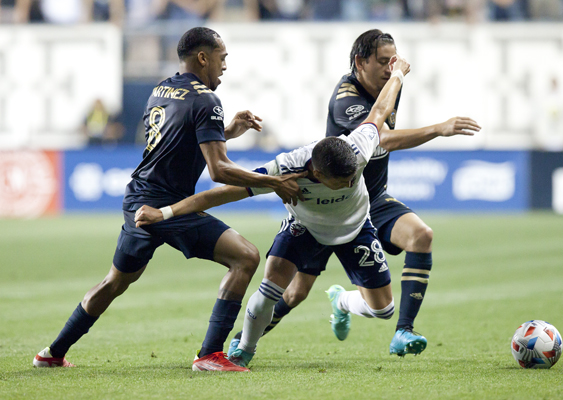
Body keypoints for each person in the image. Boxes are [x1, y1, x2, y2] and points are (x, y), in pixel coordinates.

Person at [33, 27, 305, 372]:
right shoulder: (207, 99)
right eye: (222, 58)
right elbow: (219, 170)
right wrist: (273, 181)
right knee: (247, 257)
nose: (224, 66)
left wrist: (229, 131)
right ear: (203, 57)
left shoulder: (163, 88)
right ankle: (210, 354)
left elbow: (180, 141)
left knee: (114, 282)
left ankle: (51, 353)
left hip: (137, 201)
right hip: (166, 206)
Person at [135, 53, 412, 367]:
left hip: (355, 228)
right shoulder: (285, 171)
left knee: (384, 310)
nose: (351, 184)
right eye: (344, 181)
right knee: (270, 291)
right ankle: (243, 351)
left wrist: (398, 76)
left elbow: (379, 110)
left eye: (354, 178)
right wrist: (165, 213)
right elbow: (219, 195)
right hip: (304, 229)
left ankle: (341, 300)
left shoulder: (358, 145)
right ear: (317, 175)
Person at [230, 29, 481, 358]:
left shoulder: (389, 82)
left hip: (370, 199)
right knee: (294, 294)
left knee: (421, 236)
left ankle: (400, 329)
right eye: (381, 61)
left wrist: (395, 77)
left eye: (393, 61)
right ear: (359, 62)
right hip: (327, 205)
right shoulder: (347, 98)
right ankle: (243, 341)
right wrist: (438, 128)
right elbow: (381, 137)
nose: (390, 68)